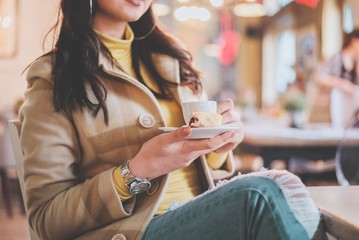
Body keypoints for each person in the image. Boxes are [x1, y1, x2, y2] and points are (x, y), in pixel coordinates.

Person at [19, 0, 324, 239]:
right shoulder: (54, 77)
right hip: (133, 231)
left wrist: (218, 145)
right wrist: (136, 171)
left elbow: (196, 157)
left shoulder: (172, 60)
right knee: (260, 195)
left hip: (198, 212)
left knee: (287, 188)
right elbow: (47, 219)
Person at [308, 29, 359, 123]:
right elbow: (320, 78)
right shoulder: (337, 58)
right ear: (354, 41)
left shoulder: (355, 64)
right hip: (331, 111)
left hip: (346, 113)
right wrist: (342, 84)